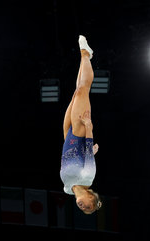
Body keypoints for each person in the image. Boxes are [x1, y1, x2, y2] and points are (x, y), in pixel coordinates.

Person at [60, 35, 102, 214]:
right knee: (83, 89)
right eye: (89, 205)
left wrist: (88, 153)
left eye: (84, 209)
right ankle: (86, 54)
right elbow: (87, 154)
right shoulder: (88, 179)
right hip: (80, 132)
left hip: (67, 136)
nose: (84, 207)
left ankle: (84, 57)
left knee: (76, 92)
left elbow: (81, 157)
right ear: (91, 196)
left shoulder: (68, 189)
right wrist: (89, 127)